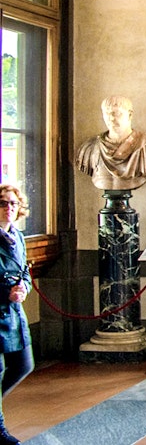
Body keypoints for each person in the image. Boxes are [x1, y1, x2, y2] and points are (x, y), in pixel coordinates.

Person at [75, 96, 146, 191]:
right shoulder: (90, 147)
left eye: (117, 113)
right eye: (106, 113)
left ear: (130, 115)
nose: (111, 118)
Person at [0, 185, 33, 445]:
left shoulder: (18, 237)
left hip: (14, 315)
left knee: (24, 364)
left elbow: (25, 273)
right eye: (2, 203)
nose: (9, 208)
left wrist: (23, 290)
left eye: (12, 203)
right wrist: (5, 292)